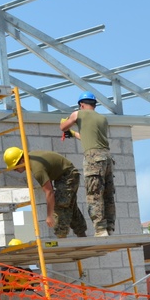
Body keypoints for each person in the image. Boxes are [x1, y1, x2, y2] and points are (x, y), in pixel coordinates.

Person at [60, 92, 115, 237]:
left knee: (94, 194)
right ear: (94, 104)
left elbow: (63, 127)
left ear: (81, 105)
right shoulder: (102, 118)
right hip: (107, 158)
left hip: (93, 158)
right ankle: (109, 227)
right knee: (107, 194)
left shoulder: (78, 114)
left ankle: (100, 229)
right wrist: (74, 133)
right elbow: (89, 137)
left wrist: (65, 122)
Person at [3, 147, 87, 239]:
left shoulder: (37, 169)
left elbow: (49, 192)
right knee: (69, 205)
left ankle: (61, 236)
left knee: (60, 204)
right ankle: (81, 234)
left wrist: (49, 216)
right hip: (65, 175)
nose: (15, 170)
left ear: (22, 160)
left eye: (15, 166)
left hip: (68, 176)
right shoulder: (32, 158)